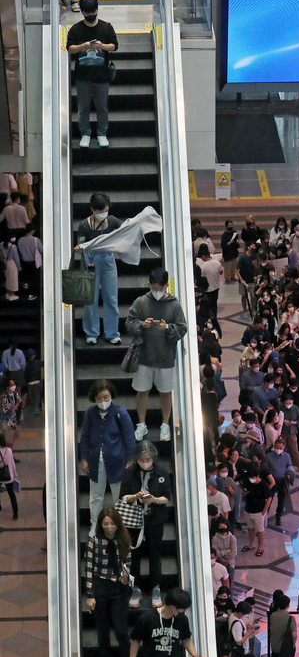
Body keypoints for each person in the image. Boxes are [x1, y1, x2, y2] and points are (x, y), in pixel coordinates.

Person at [126, 268, 188, 442]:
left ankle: (165, 424)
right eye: (154, 288)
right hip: (144, 357)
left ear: (166, 286)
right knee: (142, 391)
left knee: (165, 392)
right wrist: (141, 325)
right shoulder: (141, 302)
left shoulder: (174, 306)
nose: (157, 292)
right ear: (149, 284)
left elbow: (182, 328)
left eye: (160, 289)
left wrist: (167, 328)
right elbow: (129, 322)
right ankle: (141, 424)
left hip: (165, 358)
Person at [120, 440, 171, 610]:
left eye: (148, 459)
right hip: (134, 520)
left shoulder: (161, 473)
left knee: (155, 553)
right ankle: (136, 588)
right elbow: (123, 497)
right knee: (135, 554)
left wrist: (154, 499)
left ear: (153, 458)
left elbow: (166, 497)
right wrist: (135, 496)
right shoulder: (129, 473)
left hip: (155, 519)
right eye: (142, 460)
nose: (145, 462)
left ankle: (155, 587)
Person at [80, 378, 135, 531]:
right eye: (99, 398)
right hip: (95, 462)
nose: (103, 401)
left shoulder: (120, 413)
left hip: (118, 463)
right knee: (95, 497)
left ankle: (120, 526)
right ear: (94, 398)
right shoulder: (90, 414)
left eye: (106, 397)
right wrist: (84, 459)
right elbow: (84, 437)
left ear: (111, 395)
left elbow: (130, 439)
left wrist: (129, 461)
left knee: (120, 497)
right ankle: (95, 525)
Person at [85, 506, 132, 657]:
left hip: (119, 588)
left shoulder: (124, 540)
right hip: (100, 586)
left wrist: (127, 578)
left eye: (112, 523)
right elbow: (89, 568)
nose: (109, 527)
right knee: (102, 628)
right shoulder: (94, 541)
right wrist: (90, 595)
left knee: (121, 630)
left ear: (117, 524)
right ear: (101, 525)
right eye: (105, 524)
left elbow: (129, 563)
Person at [66, 0, 118, 150]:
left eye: (92, 12)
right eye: (87, 12)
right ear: (82, 12)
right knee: (83, 108)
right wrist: (83, 46)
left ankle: (102, 133)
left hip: (102, 76)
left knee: (102, 107)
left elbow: (114, 46)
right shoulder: (76, 29)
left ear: (97, 10)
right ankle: (85, 134)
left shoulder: (106, 27)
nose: (90, 15)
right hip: (83, 76)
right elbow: (70, 48)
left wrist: (102, 46)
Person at [76, 191, 122, 343]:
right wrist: (79, 248)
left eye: (106, 210)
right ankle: (91, 332)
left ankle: (112, 333)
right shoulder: (84, 225)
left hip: (108, 259)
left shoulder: (113, 221)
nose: (103, 213)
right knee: (91, 299)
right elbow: (80, 243)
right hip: (90, 260)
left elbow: (124, 232)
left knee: (111, 298)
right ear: (92, 209)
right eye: (100, 211)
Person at [241, 463, 272, 556]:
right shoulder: (248, 483)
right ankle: (251, 544)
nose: (252, 479)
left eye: (253, 477)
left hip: (258, 511)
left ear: (258, 476)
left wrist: (264, 511)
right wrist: (244, 493)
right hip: (248, 509)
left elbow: (268, 499)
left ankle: (260, 547)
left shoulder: (264, 485)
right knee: (250, 528)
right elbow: (244, 493)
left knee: (260, 530)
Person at [265, 434, 294, 526]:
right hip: (271, 481)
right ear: (274, 446)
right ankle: (264, 516)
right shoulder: (269, 456)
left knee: (282, 500)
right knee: (269, 498)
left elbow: (289, 466)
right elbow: (265, 469)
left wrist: (289, 474)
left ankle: (278, 517)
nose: (279, 450)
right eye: (277, 448)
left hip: (282, 481)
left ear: (283, 448)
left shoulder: (286, 456)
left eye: (280, 448)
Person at [0, 378, 23, 453]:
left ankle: (10, 455)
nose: (14, 386)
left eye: (14, 384)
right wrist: (17, 404)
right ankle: (8, 455)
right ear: (8, 387)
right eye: (12, 385)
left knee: (13, 439)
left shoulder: (15, 394)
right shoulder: (4, 397)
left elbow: (20, 401)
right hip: (8, 424)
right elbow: (9, 410)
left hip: (15, 421)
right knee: (8, 442)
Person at [0, 428, 19, 517]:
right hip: (8, 475)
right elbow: (12, 463)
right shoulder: (9, 450)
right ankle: (15, 511)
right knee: (11, 494)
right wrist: (14, 474)